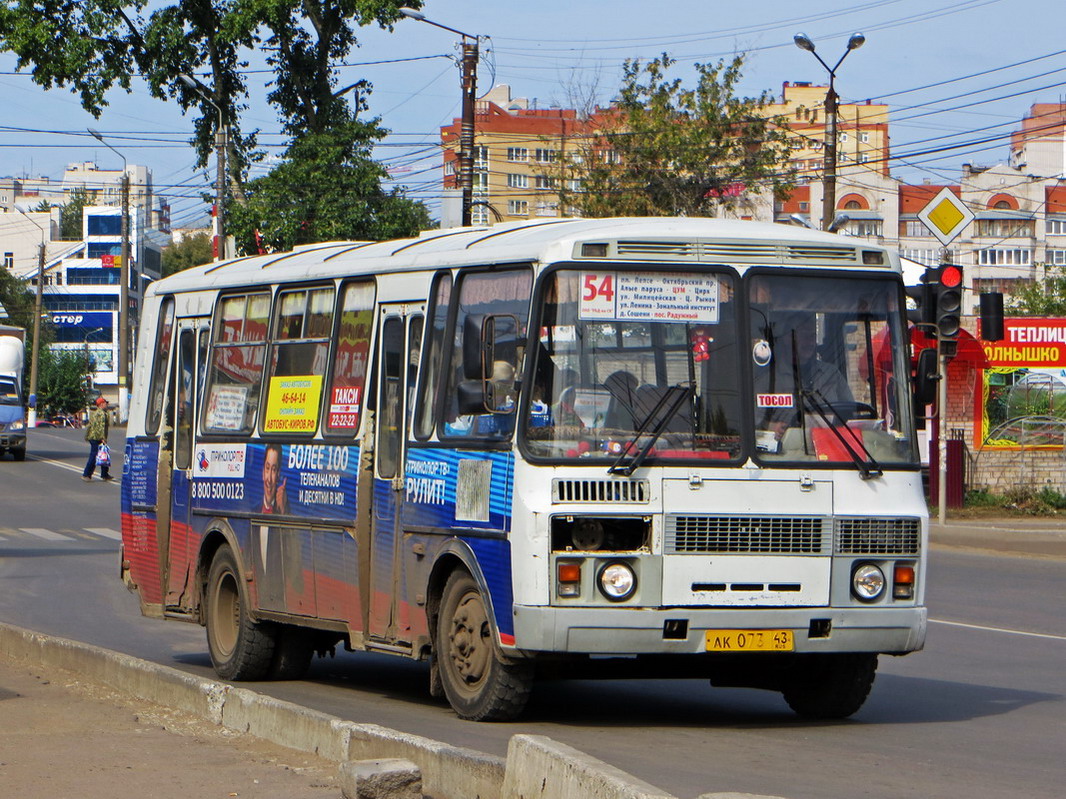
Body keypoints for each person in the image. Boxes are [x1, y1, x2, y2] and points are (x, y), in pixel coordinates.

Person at [82, 396, 113, 482]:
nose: (107, 405)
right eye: (105, 403)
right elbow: (101, 427)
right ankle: (87, 474)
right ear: (101, 404)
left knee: (104, 454)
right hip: (97, 437)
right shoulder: (101, 414)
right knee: (95, 456)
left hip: (94, 436)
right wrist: (102, 438)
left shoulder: (97, 413)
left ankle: (104, 474)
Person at [260, 443, 289, 514]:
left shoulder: (286, 509)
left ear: (278, 475)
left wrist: (282, 511)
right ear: (263, 473)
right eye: (267, 468)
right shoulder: (252, 510)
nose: (269, 480)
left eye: (273, 470)